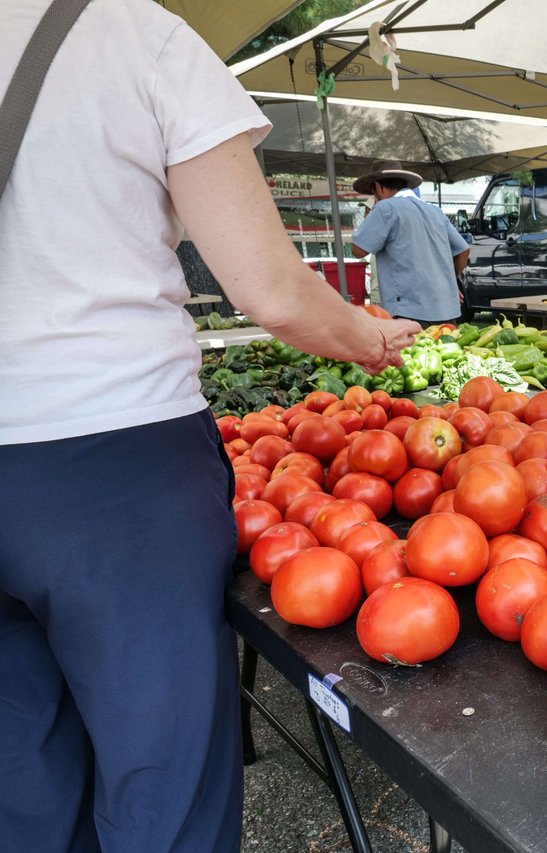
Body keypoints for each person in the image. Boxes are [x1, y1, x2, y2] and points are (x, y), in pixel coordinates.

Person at [0, 2, 421, 850]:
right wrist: (366, 338)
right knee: (161, 775)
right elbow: (267, 287)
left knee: (21, 775)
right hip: (109, 467)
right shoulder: (136, 35)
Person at [351, 161, 471, 325]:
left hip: (408, 311)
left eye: (374, 193)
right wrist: (448, 281)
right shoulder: (434, 210)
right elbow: (463, 250)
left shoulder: (385, 208)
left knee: (412, 352)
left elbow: (358, 251)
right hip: (446, 310)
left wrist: (369, 219)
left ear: (378, 187)